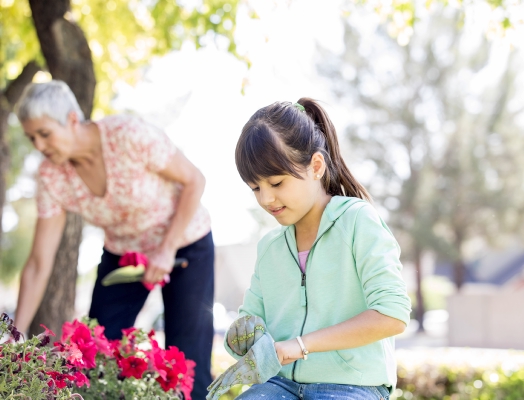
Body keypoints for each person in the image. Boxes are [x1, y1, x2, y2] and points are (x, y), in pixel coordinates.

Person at [13, 80, 214, 400]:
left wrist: (167, 248)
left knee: (188, 359)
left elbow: (194, 180)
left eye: (45, 133)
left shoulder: (128, 135)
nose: (39, 145)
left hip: (185, 243)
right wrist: (15, 336)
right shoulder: (51, 175)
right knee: (95, 351)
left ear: (72, 120)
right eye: (31, 137)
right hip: (124, 254)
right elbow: (39, 263)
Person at [225, 98, 412, 399]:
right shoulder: (270, 247)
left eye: (276, 182)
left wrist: (300, 345)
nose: (265, 199)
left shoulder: (357, 221)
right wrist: (244, 340)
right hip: (279, 384)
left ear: (315, 166)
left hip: (354, 384)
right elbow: (252, 320)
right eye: (255, 188)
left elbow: (392, 314)